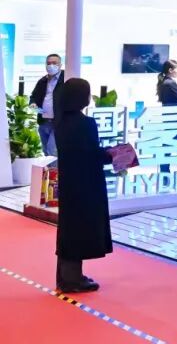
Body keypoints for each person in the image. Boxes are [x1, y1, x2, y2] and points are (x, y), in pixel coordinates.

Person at [54, 78, 114, 293]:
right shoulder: (85, 123)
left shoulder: (60, 122)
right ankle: (72, 279)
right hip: (86, 182)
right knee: (80, 228)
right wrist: (113, 154)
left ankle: (65, 276)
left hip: (69, 181)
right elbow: (92, 153)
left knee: (69, 227)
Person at [30, 53, 64, 156]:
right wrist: (33, 103)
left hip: (58, 122)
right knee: (46, 151)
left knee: (52, 150)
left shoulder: (66, 79)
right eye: (48, 63)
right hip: (44, 121)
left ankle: (56, 167)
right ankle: (51, 167)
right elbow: (33, 96)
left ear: (60, 65)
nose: (51, 65)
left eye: (54, 63)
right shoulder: (42, 81)